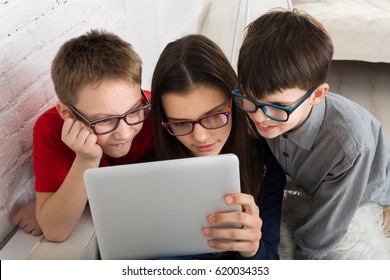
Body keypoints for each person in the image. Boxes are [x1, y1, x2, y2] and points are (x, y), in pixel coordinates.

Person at [233, 9, 390, 259]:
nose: (260, 117)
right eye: (250, 99)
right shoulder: (257, 111)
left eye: (279, 106)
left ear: (316, 95)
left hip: (366, 198)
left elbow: (330, 223)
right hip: (310, 187)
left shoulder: (349, 144)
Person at [151, 34, 286, 259]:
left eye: (214, 117)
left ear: (236, 103)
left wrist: (253, 250)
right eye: (181, 123)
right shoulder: (147, 172)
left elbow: (270, 260)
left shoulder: (264, 165)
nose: (201, 137)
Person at [29, 29, 153, 242]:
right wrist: (86, 160)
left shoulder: (155, 109)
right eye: (104, 120)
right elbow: (55, 230)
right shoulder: (50, 129)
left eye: (133, 110)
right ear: (68, 115)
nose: (124, 133)